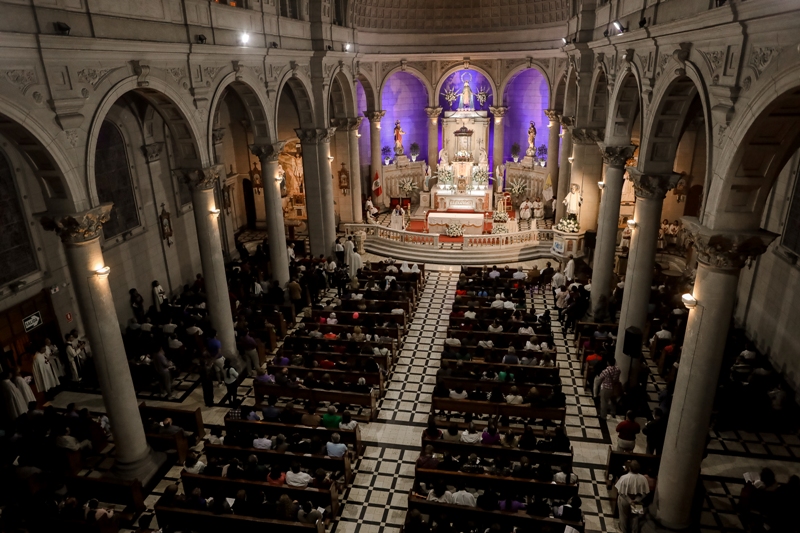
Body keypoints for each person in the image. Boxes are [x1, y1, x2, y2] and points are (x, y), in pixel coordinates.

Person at [616, 460, 650, 533]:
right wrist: (638, 499)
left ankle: (624, 530)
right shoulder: (643, 479)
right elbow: (646, 492)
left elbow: (620, 492)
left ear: (630, 468)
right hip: (637, 500)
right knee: (635, 518)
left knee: (623, 516)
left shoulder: (624, 478)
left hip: (625, 499)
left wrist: (629, 501)